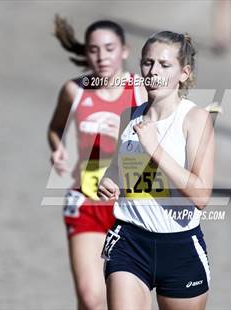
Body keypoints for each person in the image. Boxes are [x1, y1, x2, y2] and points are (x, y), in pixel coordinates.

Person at [98, 31, 214, 310]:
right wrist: (108, 181)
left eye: (164, 65)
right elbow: (116, 171)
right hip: (129, 240)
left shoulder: (195, 119)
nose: (153, 72)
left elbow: (201, 195)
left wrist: (155, 149)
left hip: (180, 246)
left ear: (183, 73)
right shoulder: (131, 115)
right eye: (147, 63)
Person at [48, 16, 146, 310]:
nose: (102, 57)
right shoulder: (74, 91)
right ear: (86, 53)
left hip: (131, 206)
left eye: (109, 48)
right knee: (92, 299)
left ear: (125, 51)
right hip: (86, 201)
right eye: (94, 49)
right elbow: (55, 128)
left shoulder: (142, 90)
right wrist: (57, 149)